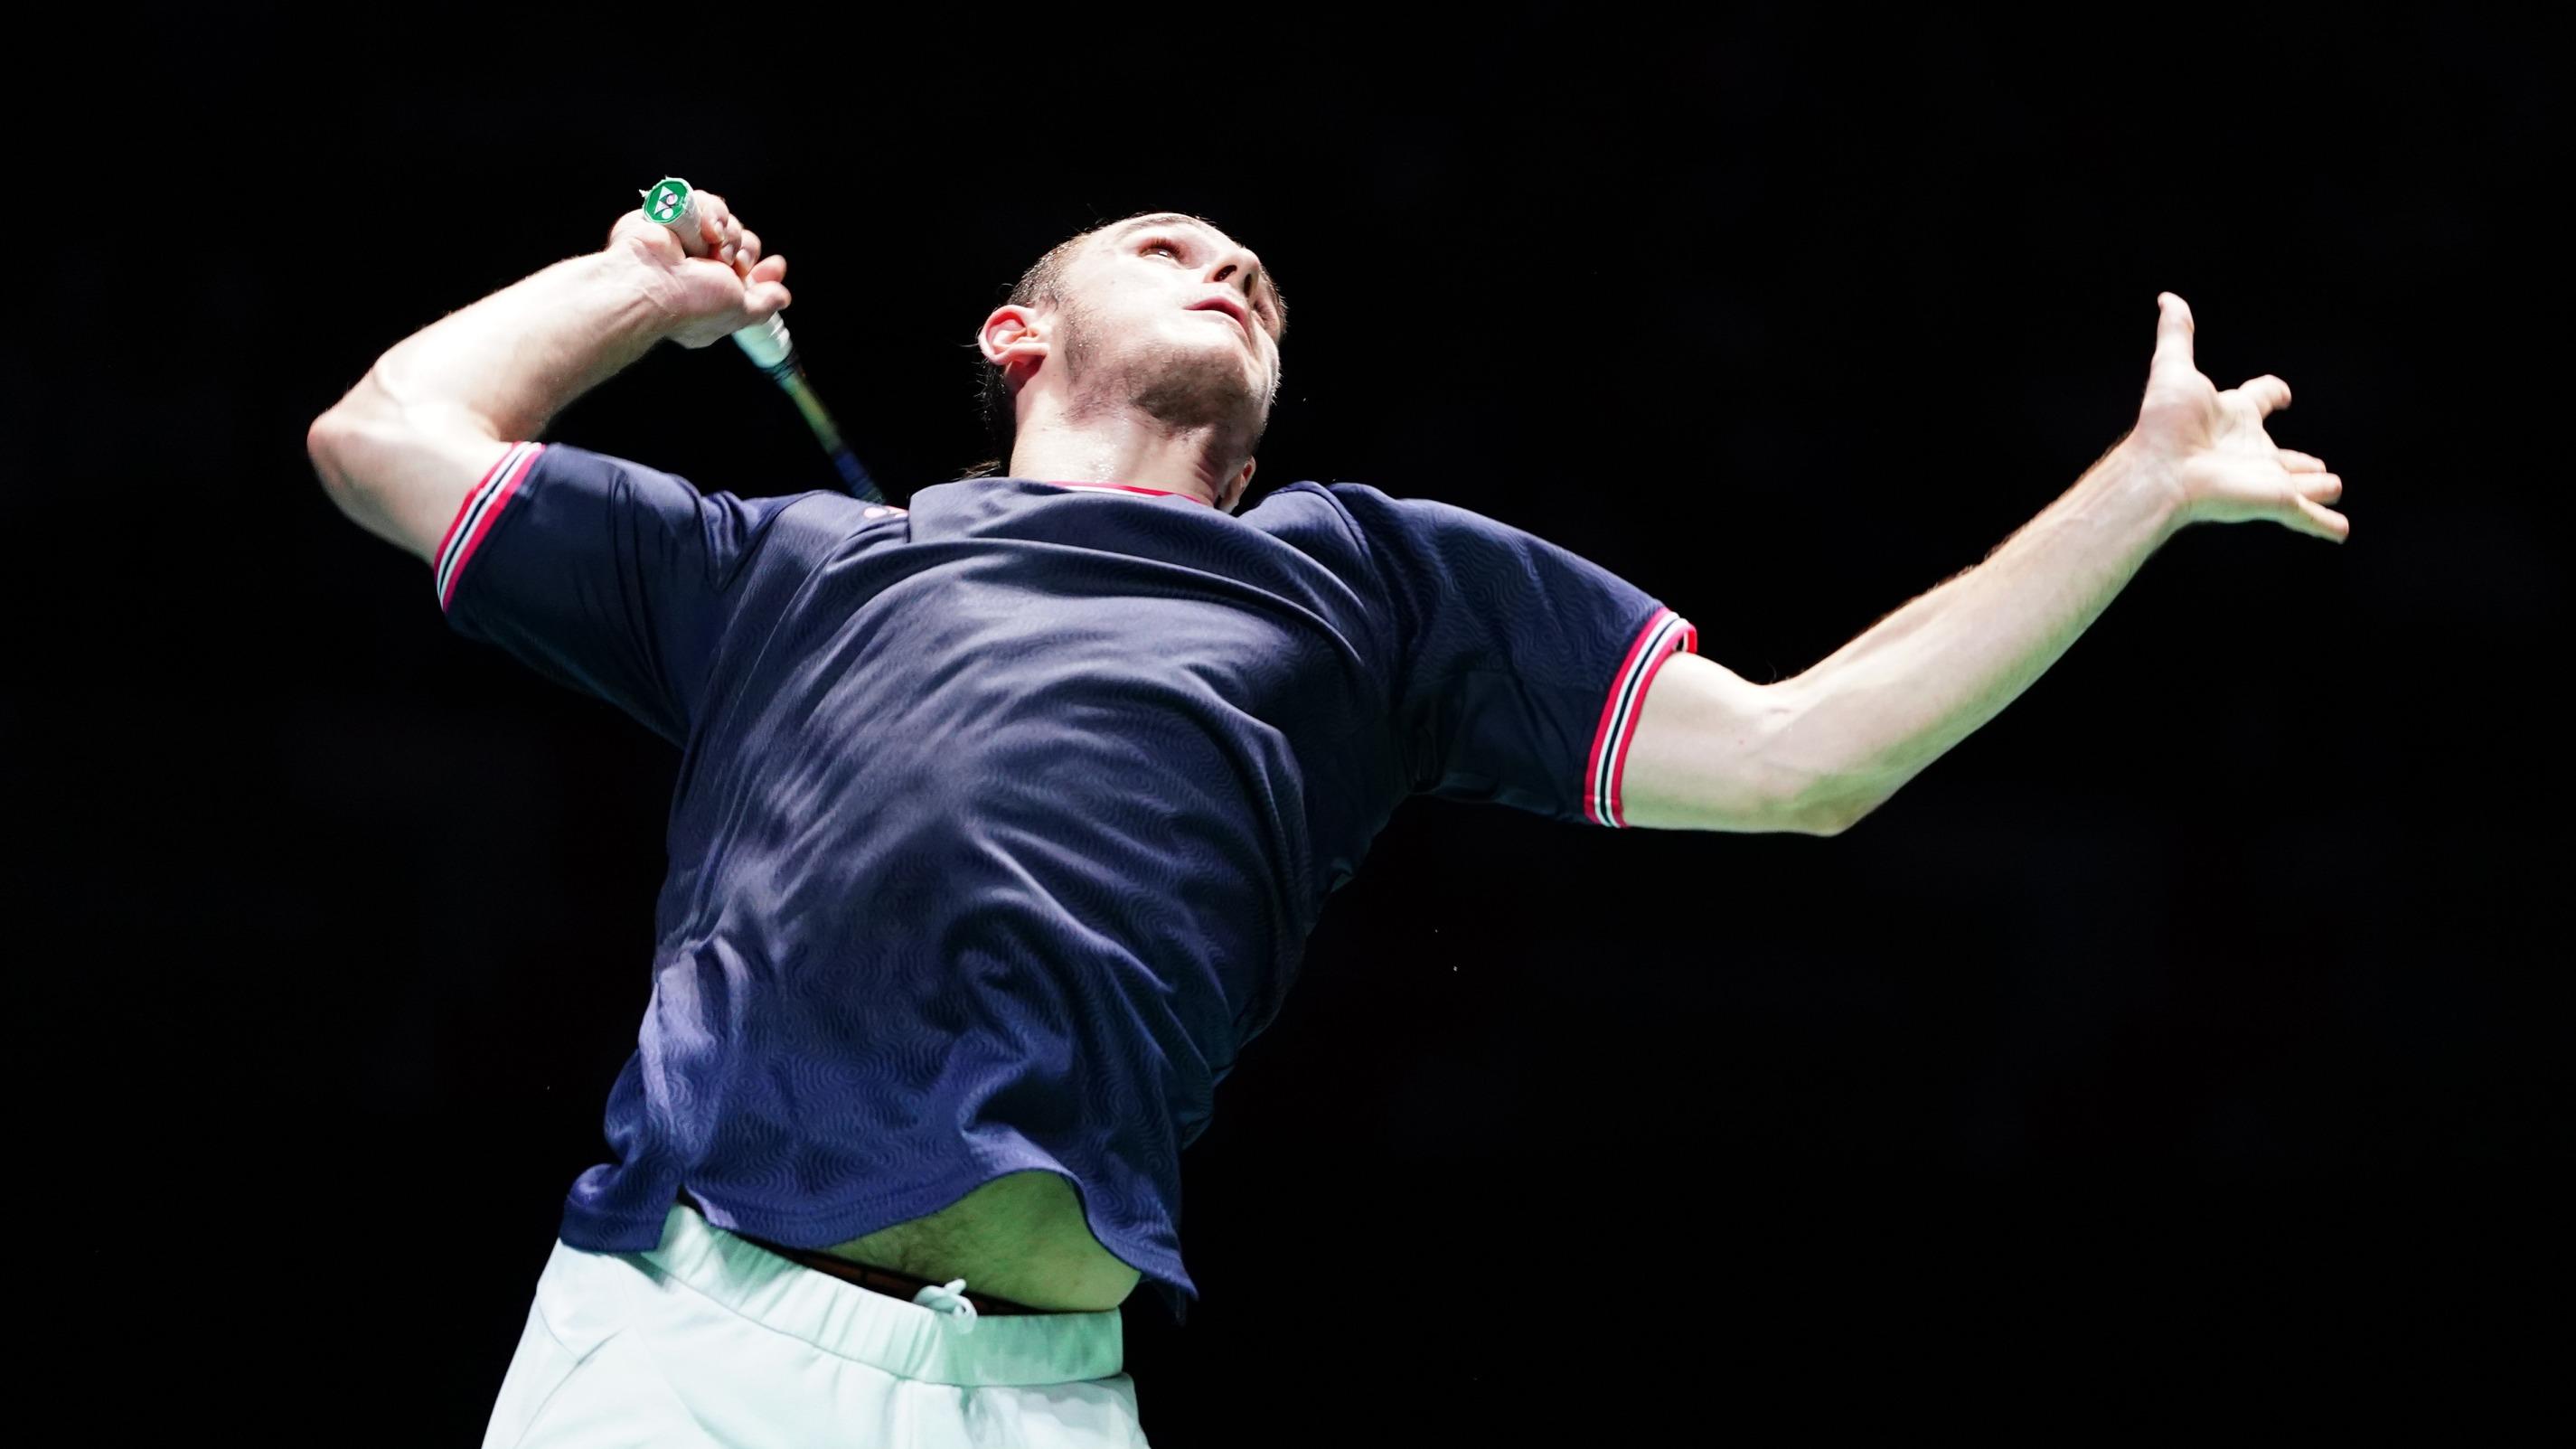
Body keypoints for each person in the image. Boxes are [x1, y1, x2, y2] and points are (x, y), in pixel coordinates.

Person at [306, 191, 2348, 1447]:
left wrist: (2140, 492)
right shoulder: (789, 565)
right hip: (687, 1349)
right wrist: (635, 287)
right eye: (1166, 244)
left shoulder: (1374, 584)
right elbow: (386, 438)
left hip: (1033, 1396)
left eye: (1255, 269)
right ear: (1018, 336)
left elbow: (1811, 761)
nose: (1237, 262)